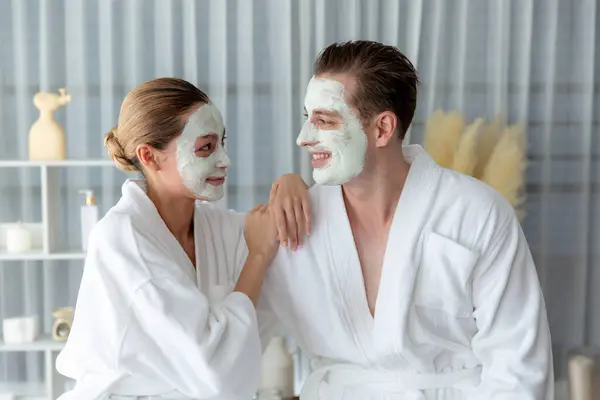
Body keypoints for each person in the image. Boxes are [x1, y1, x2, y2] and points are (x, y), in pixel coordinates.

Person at [261, 41, 554, 399]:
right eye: (307, 118)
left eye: (323, 120)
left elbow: (518, 366)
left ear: (382, 128)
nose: (303, 138)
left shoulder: (476, 214)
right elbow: (216, 307)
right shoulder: (295, 220)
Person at [55, 77, 310, 400]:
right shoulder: (122, 239)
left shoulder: (214, 226)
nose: (225, 160)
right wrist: (256, 257)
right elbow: (215, 373)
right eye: (205, 147)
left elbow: (279, 229)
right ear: (149, 156)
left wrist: (291, 183)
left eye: (222, 143)